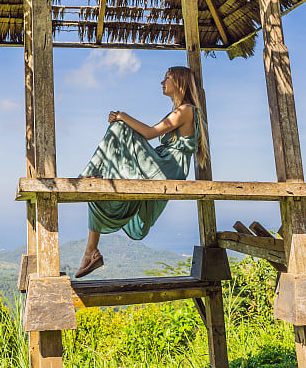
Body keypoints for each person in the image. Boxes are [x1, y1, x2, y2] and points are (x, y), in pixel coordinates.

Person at [74, 66, 208, 278]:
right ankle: (92, 251)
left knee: (119, 127)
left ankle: (87, 175)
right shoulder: (180, 111)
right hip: (163, 162)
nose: (162, 82)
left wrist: (123, 116)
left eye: (167, 78)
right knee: (98, 188)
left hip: (168, 166)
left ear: (179, 83)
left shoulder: (186, 110)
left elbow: (149, 133)